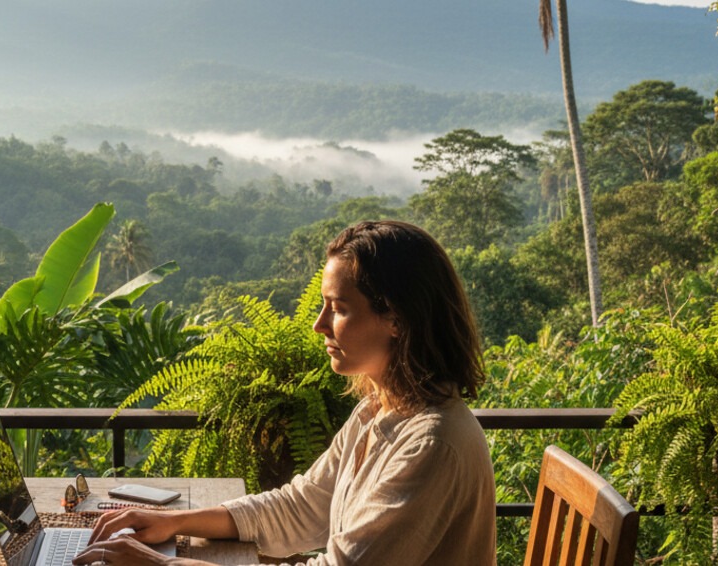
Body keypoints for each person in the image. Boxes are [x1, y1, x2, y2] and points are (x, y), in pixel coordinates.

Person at [73, 220, 496, 566]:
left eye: (340, 308)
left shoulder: (432, 445)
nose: (319, 324)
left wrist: (162, 565)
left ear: (397, 320)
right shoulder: (378, 410)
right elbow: (303, 506)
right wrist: (173, 522)